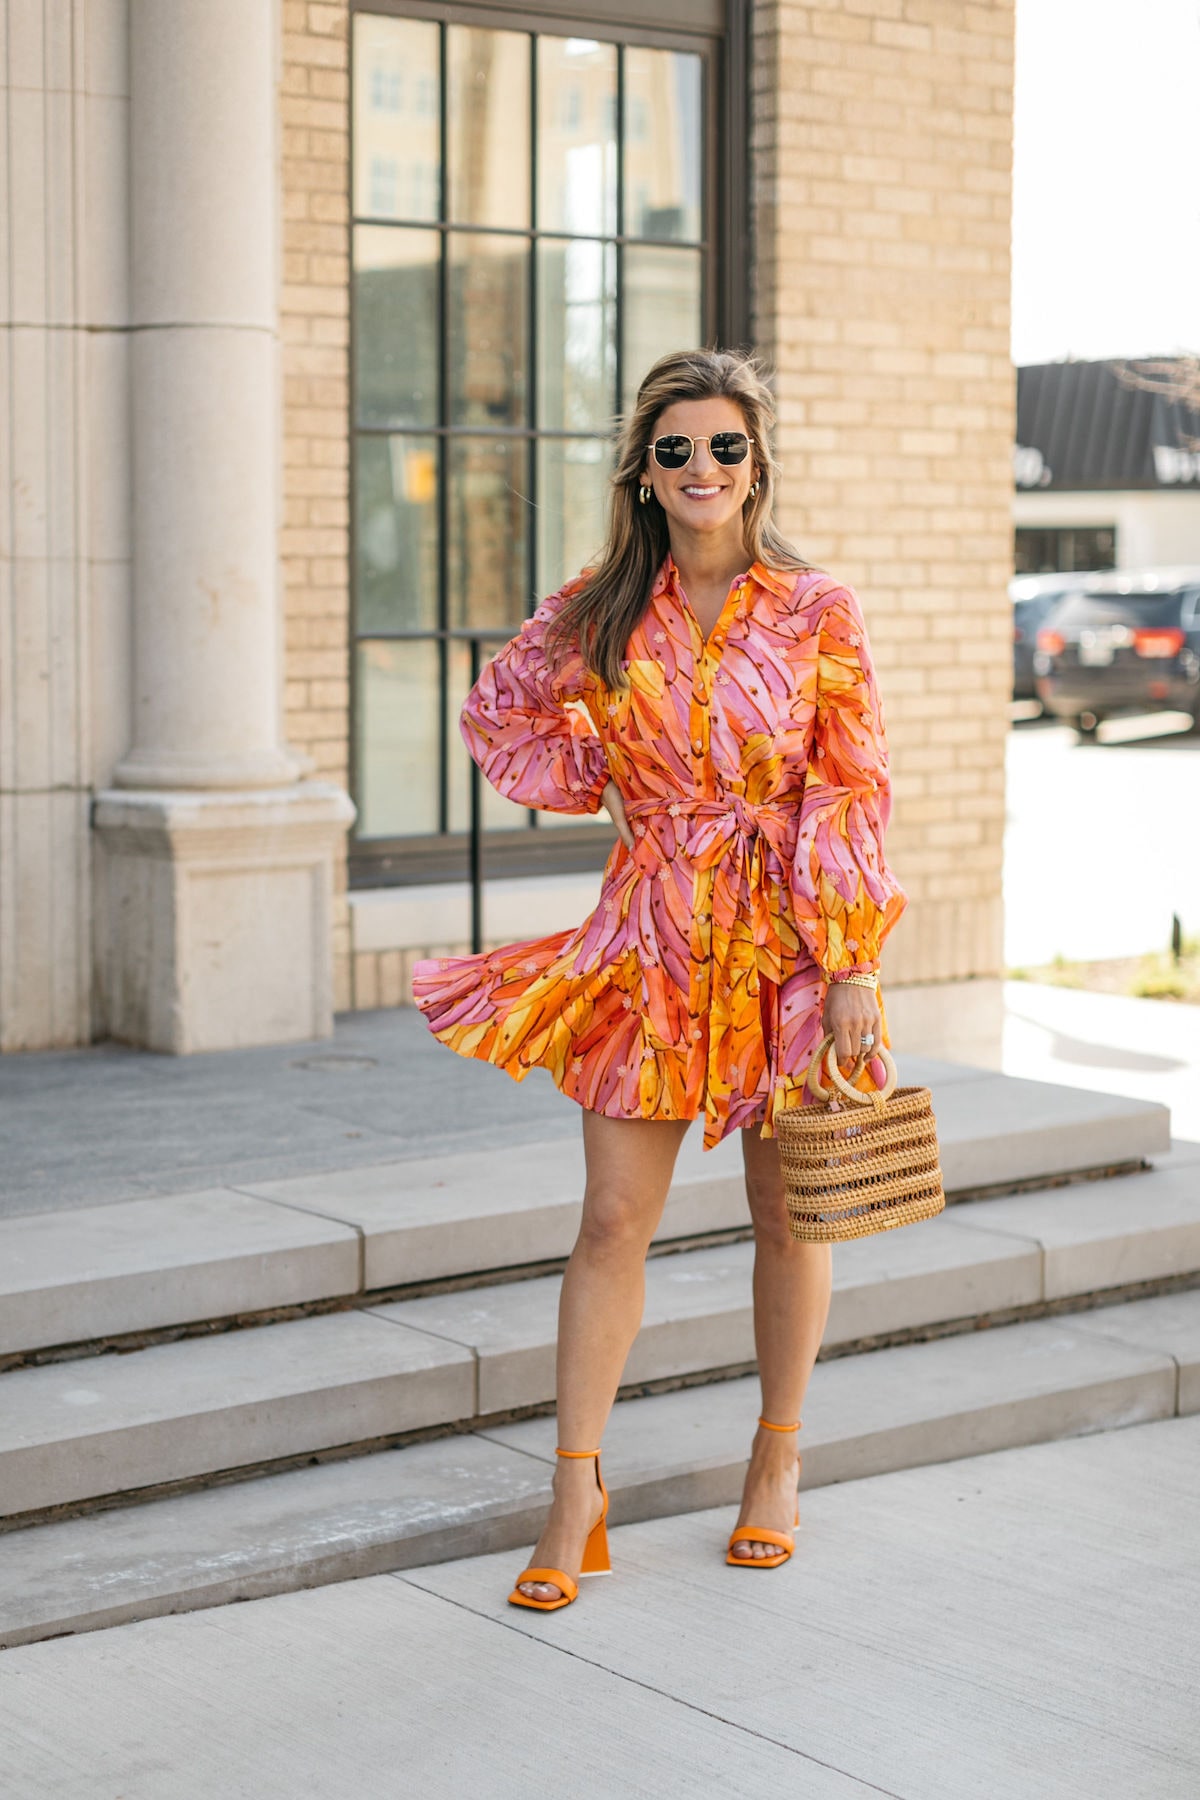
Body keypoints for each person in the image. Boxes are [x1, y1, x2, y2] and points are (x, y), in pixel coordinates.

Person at [414, 346, 906, 1610]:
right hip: (649, 937)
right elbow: (502, 714)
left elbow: (848, 784)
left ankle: (776, 1463)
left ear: (757, 462)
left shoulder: (816, 609)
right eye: (676, 447)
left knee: (789, 1211)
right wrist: (610, 780)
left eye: (725, 446)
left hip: (789, 949)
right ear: (643, 468)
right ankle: (577, 1487)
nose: (702, 467)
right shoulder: (603, 606)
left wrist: (850, 958)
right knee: (609, 1220)